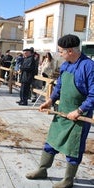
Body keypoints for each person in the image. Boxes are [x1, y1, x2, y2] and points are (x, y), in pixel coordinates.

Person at [25, 34, 94, 188]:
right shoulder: (65, 65)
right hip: (62, 113)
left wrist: (80, 110)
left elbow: (93, 95)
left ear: (70, 51)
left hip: (79, 118)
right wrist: (50, 101)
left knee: (73, 149)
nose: (59, 54)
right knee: (51, 142)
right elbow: (59, 86)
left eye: (61, 51)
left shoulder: (89, 67)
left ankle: (68, 180)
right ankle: (42, 170)